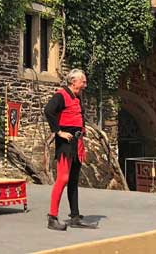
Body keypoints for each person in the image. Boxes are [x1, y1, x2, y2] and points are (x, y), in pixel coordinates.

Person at [44, 68, 96, 231]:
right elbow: (48, 111)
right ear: (74, 81)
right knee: (63, 178)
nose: (85, 85)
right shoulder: (61, 95)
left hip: (77, 142)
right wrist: (58, 131)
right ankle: (52, 217)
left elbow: (78, 118)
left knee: (73, 180)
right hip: (65, 142)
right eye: (83, 81)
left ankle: (75, 216)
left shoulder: (77, 98)